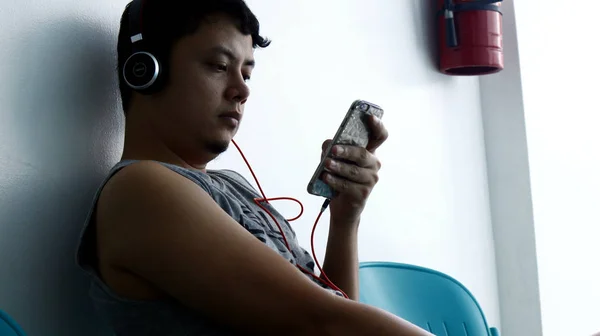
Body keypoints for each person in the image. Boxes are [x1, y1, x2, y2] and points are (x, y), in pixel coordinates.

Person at [76, 0, 433, 335]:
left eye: (246, 74)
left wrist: (345, 219)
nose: (241, 91)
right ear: (145, 71)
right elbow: (323, 323)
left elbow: (334, 311)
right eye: (219, 66)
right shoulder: (141, 189)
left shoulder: (233, 187)